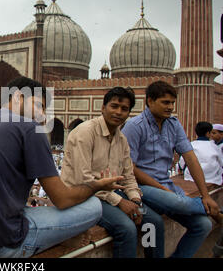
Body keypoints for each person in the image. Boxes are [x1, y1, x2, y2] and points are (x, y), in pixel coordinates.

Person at [0, 76, 123, 258]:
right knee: (94, 206)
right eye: (39, 106)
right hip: (0, 245)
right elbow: (62, 199)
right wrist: (98, 185)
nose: (43, 116)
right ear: (17, 97)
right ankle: (54, 239)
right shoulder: (31, 128)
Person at [121, 80, 221, 258]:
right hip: (139, 188)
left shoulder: (173, 124)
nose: (170, 107)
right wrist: (163, 191)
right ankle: (219, 213)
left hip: (165, 185)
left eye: (172, 103)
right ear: (150, 101)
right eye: (165, 102)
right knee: (158, 217)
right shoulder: (134, 126)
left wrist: (205, 195)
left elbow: (191, 158)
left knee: (203, 225)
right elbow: (130, 170)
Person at [61, 87, 165, 258]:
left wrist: (135, 200)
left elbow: (129, 176)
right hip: (84, 196)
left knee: (154, 223)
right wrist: (119, 202)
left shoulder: (121, 139)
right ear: (103, 108)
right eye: (114, 106)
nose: (118, 112)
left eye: (124, 109)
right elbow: (84, 180)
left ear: (129, 113)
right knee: (126, 229)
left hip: (110, 194)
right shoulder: (85, 133)